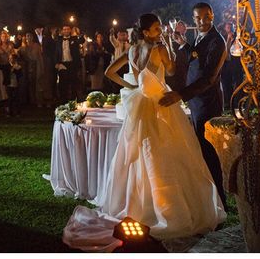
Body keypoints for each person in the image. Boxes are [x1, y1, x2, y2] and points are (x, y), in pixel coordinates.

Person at [63, 13, 226, 252]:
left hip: (139, 104)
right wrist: (169, 46)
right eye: (157, 28)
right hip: (159, 104)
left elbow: (110, 72)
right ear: (147, 31)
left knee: (138, 151)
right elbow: (171, 71)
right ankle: (165, 207)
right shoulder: (159, 49)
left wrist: (133, 87)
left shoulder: (132, 49)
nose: (160, 30)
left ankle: (138, 203)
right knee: (165, 153)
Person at [159, 2, 228, 212]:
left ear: (212, 15)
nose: (201, 22)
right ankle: (208, 199)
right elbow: (195, 58)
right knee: (200, 150)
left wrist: (181, 94)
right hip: (196, 101)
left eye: (205, 17)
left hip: (208, 102)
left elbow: (208, 78)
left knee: (208, 152)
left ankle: (221, 203)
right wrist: (183, 44)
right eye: (197, 18)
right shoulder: (200, 37)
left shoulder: (217, 41)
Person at [55, 25, 84, 103]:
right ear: (62, 31)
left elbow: (82, 40)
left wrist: (78, 34)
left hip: (72, 64)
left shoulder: (74, 39)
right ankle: (63, 102)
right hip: (62, 64)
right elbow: (56, 52)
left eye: (67, 29)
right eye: (64, 29)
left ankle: (73, 101)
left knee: (73, 83)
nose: (66, 31)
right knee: (62, 85)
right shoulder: (58, 40)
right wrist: (57, 63)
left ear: (70, 30)